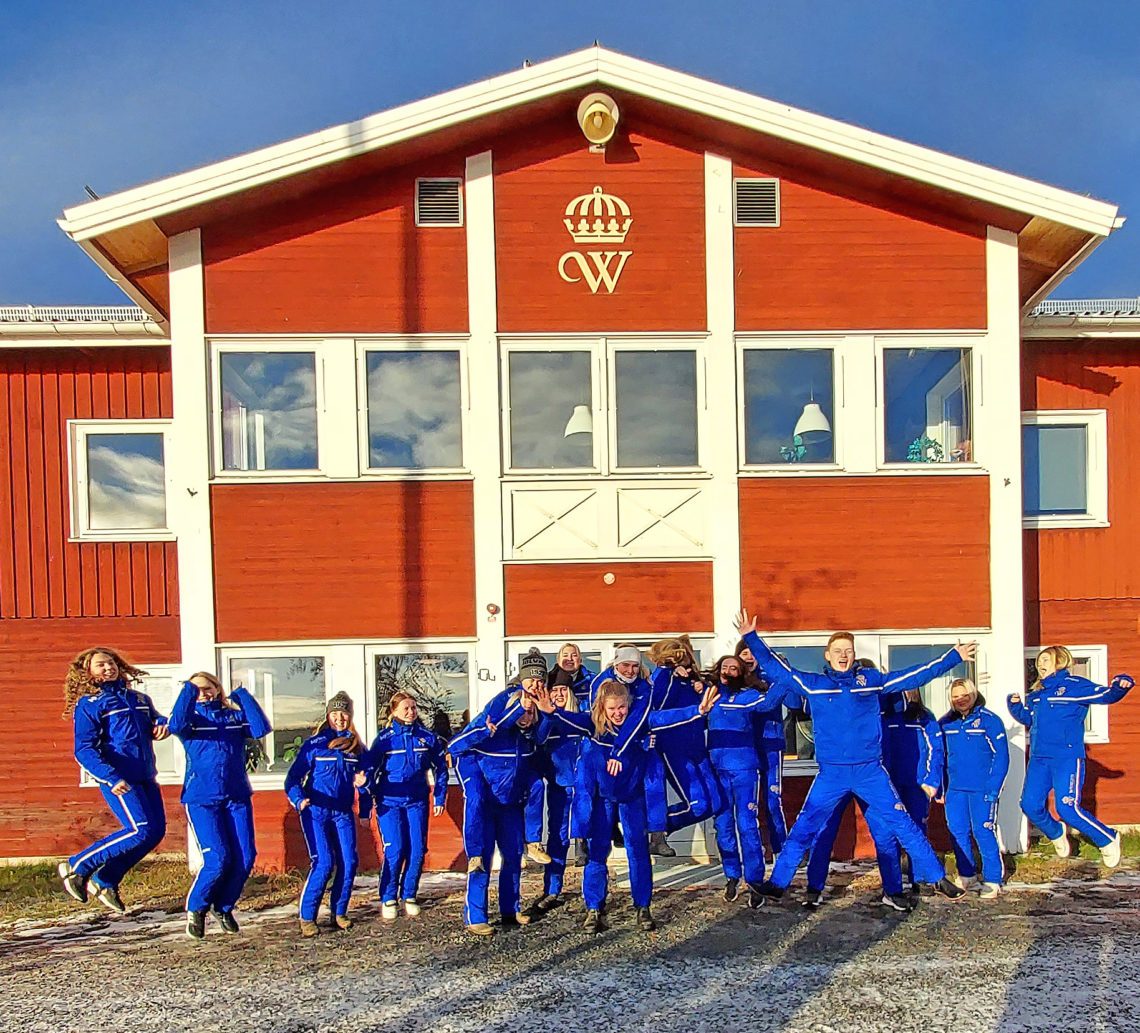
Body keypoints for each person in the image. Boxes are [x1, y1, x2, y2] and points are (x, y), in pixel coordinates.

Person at [734, 609, 975, 903]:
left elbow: (915, 674)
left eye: (848, 650)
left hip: (870, 771)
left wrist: (952, 658)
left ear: (854, 654)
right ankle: (778, 883)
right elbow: (776, 669)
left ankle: (937, 878)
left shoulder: (871, 681)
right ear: (827, 655)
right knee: (805, 826)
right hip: (831, 774)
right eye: (838, 651)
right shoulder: (815, 684)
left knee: (902, 824)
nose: (843, 655)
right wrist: (751, 637)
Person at [536, 677, 720, 932]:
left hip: (632, 799)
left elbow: (667, 718)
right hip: (602, 800)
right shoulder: (593, 724)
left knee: (638, 853)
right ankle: (593, 908)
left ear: (628, 705)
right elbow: (567, 720)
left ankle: (642, 907)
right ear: (603, 707)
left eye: (621, 707)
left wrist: (697, 711)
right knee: (597, 854)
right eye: (612, 709)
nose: (617, 713)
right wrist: (551, 711)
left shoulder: (639, 725)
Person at [59, 647, 169, 913]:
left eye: (111, 663)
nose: (108, 668)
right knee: (139, 829)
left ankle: (105, 880)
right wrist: (110, 777)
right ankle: (77, 865)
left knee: (154, 833)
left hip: (145, 775)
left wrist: (162, 724)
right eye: (100, 665)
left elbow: (157, 720)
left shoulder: (139, 698)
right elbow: (84, 749)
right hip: (119, 779)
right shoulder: (90, 704)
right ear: (87, 673)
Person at [167, 671, 272, 938]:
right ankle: (197, 908)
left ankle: (223, 906)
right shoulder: (192, 721)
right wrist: (189, 691)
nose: (204, 693)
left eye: (209, 687)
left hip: (236, 796)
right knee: (218, 859)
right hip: (202, 799)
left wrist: (242, 697)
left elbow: (261, 729)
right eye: (198, 689)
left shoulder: (232, 718)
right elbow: (175, 724)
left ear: (217, 688)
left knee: (246, 857)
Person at [448, 648, 544, 936]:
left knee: (513, 855)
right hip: (486, 796)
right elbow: (456, 744)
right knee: (483, 858)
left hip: (510, 799)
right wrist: (487, 730)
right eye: (531, 680)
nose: (526, 716)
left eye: (530, 712)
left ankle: (510, 909)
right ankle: (475, 914)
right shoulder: (499, 709)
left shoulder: (531, 729)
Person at [1008, 647, 1134, 867]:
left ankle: (1107, 838)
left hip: (1066, 758)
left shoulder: (1075, 686)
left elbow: (1106, 695)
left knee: (1067, 807)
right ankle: (1056, 832)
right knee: (1029, 805)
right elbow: (1029, 719)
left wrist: (1120, 684)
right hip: (1039, 759)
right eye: (1038, 661)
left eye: (1045, 660)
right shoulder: (1038, 694)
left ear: (1060, 661)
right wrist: (1015, 706)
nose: (1040, 665)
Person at [285, 693, 369, 936]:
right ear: (328, 715)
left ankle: (339, 912)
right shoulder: (315, 744)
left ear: (350, 716)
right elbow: (292, 778)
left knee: (349, 861)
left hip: (342, 812)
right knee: (323, 863)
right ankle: (308, 917)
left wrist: (364, 798)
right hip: (316, 811)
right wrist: (299, 800)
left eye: (344, 714)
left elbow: (366, 781)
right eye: (335, 714)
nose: (340, 718)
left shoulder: (356, 747)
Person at [365, 691, 448, 920]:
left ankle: (409, 894)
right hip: (389, 802)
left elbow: (440, 768)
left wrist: (439, 797)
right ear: (394, 711)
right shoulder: (384, 740)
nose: (411, 712)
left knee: (417, 849)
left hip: (417, 801)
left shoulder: (426, 737)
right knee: (396, 848)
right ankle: (389, 897)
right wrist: (366, 793)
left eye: (413, 708)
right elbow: (370, 771)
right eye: (405, 708)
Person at [589, 645, 674, 857]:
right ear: (616, 664)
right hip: (608, 742)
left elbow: (638, 718)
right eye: (625, 665)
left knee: (655, 776)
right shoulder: (601, 682)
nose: (630, 670)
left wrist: (641, 739)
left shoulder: (644, 686)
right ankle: (588, 836)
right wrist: (617, 748)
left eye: (635, 666)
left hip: (637, 740)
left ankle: (657, 833)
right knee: (602, 787)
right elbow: (598, 719)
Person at [705, 655, 777, 902]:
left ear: (741, 672)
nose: (728, 671)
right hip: (717, 769)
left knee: (746, 824)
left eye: (733, 668)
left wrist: (779, 675)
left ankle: (755, 879)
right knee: (723, 824)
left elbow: (772, 700)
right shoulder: (709, 695)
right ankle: (731, 875)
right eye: (724, 667)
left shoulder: (749, 696)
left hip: (744, 769)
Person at [940, 678, 1009, 898]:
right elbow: (939, 757)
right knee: (958, 831)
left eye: (964, 695)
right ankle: (967, 875)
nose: (960, 700)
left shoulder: (989, 721)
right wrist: (941, 787)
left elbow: (1002, 757)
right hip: (955, 789)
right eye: (955, 696)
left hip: (982, 789)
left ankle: (993, 878)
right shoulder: (945, 723)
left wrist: (994, 787)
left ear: (973, 694)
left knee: (983, 830)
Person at [647, 636, 722, 835]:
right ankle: (650, 827)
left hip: (698, 747)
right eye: (677, 657)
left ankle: (658, 827)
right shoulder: (663, 677)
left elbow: (706, 711)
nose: (684, 659)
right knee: (699, 805)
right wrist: (668, 672)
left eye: (685, 654)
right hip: (673, 749)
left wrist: (700, 688)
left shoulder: (693, 681)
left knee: (715, 802)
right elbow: (656, 709)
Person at [529, 673, 588, 912]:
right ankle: (552, 890)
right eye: (555, 691)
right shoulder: (545, 722)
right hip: (560, 789)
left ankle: (594, 895)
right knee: (558, 839)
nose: (559, 695)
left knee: (590, 839)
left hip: (585, 788)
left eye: (564, 690)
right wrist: (547, 715)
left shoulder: (581, 716)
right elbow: (538, 743)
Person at [737, 639, 788, 858]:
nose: (749, 657)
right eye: (744, 653)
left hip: (770, 743)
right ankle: (752, 851)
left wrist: (784, 672)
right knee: (747, 803)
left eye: (753, 653)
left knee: (772, 800)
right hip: (745, 748)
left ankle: (781, 850)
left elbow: (793, 703)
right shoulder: (733, 682)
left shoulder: (771, 677)